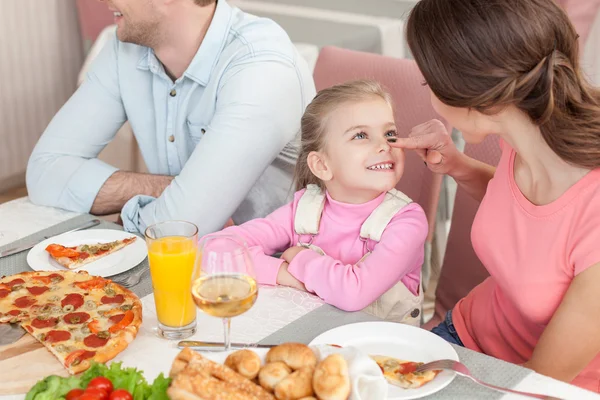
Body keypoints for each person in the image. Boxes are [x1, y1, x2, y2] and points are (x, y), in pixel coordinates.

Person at [395, 0, 600, 391]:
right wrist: (457, 165)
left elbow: (537, 380)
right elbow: (531, 217)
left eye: (430, 85)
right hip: (463, 336)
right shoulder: (532, 130)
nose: (429, 97)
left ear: (479, 101)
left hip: (534, 383)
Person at [26, 0, 315, 235]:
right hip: (176, 267)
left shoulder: (262, 67)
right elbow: (43, 173)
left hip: (272, 279)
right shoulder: (125, 48)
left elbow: (178, 229)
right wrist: (168, 190)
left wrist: (156, 212)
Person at [210, 80, 428, 323]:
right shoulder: (303, 210)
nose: (384, 146)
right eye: (361, 135)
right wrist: (284, 274)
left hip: (387, 355)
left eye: (389, 133)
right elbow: (213, 250)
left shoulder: (408, 221)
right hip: (315, 344)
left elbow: (354, 293)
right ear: (321, 165)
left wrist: (300, 258)